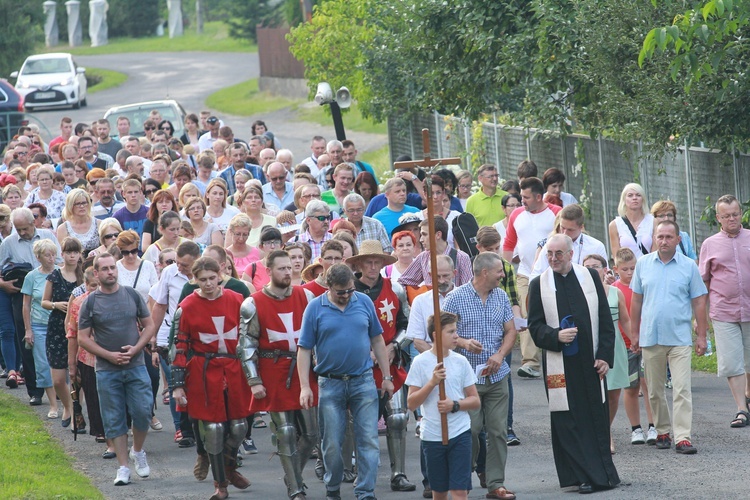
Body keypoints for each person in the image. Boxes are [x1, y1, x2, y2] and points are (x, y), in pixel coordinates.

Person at [527, 234, 619, 493]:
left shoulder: (589, 277)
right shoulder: (538, 285)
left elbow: (605, 319)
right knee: (568, 419)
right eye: (549, 254)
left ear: (570, 254)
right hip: (560, 366)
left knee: (594, 416)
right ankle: (581, 476)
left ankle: (604, 475)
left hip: (590, 362)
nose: (553, 259)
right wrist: (555, 336)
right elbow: (534, 327)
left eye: (559, 253)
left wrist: (605, 356)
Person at [297, 263, 393, 500]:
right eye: (341, 292)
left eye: (350, 290)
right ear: (329, 287)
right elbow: (304, 349)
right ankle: (333, 488)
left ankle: (365, 491)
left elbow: (378, 340)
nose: (347, 296)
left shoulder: (363, 301)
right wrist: (305, 386)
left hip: (363, 381)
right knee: (331, 442)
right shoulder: (314, 308)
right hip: (330, 383)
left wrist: (387, 376)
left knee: (369, 440)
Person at [240, 250, 318, 500]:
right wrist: (254, 381)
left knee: (311, 434)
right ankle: (295, 488)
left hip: (304, 370)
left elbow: (318, 335)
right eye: (282, 268)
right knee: (284, 432)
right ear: (270, 271)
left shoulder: (305, 295)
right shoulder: (252, 303)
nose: (288, 272)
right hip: (273, 371)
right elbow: (247, 345)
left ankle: (292, 473)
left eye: (290, 268)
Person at [172, 257, 252, 499]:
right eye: (202, 280)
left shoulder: (236, 300)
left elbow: (248, 338)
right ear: (195, 280)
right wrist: (177, 385)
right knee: (215, 429)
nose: (208, 284)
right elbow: (179, 346)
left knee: (239, 427)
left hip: (233, 368)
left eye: (212, 278)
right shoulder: (186, 306)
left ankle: (227, 466)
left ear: (220, 275)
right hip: (203, 371)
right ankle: (221, 484)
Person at [77, 252, 158, 486]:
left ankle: (138, 451)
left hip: (136, 365)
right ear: (96, 273)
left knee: (143, 411)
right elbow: (83, 338)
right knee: (113, 419)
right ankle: (123, 467)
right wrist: (109, 355)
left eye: (113, 268)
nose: (110, 272)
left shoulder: (131, 295)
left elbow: (149, 325)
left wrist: (136, 349)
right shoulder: (90, 302)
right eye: (105, 269)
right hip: (106, 369)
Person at [442, 252, 518, 500]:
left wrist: (500, 355)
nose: (502, 275)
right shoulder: (455, 298)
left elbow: (510, 332)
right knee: (471, 430)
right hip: (467, 379)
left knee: (497, 431)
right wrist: (462, 342)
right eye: (499, 271)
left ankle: (496, 483)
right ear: (484, 272)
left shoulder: (502, 296)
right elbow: (441, 334)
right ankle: (464, 476)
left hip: (497, 376)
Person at [629, 220, 708, 454]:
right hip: (651, 336)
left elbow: (699, 300)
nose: (663, 241)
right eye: (660, 236)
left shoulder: (688, 266)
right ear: (654, 238)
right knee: (654, 389)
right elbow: (636, 300)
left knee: (682, 388)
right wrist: (634, 333)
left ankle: (682, 436)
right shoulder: (643, 264)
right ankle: (662, 430)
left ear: (678, 240)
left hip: (680, 337)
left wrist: (702, 336)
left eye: (668, 237)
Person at [349, 241, 416, 492]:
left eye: (377, 261)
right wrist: (363, 352)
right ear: (359, 264)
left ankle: (398, 473)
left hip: (391, 362)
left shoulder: (395, 289)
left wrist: (394, 347)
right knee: (361, 421)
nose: (373, 266)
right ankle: (362, 472)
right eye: (368, 261)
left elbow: (407, 325)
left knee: (397, 418)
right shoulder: (348, 292)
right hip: (359, 366)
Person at [406, 311, 480, 500]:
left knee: (459, 491)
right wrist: (432, 382)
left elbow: (474, 400)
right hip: (432, 435)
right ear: (436, 335)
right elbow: (411, 403)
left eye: (456, 331)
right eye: (451, 331)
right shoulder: (420, 362)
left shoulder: (461, 362)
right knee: (439, 492)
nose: (456, 336)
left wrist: (454, 405)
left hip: (460, 434)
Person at [502, 176, 562, 379]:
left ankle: (554, 356)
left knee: (553, 314)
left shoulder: (556, 213)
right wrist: (505, 272)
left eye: (526, 197)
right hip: (525, 274)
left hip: (552, 276)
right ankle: (530, 362)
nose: (522, 201)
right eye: (521, 196)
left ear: (538, 196)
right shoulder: (517, 215)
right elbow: (509, 244)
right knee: (526, 315)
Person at [699, 194, 750, 427]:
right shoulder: (710, 244)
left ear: (741, 213)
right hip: (724, 312)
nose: (732, 218)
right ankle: (741, 409)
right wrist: (701, 318)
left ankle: (747, 396)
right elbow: (704, 282)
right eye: (726, 215)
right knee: (732, 362)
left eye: (735, 214)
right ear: (718, 217)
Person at [1, 208, 61, 406]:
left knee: (56, 340)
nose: (21, 233)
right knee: (27, 341)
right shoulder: (9, 242)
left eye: (25, 229)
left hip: (50, 291)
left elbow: (59, 261)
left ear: (34, 223)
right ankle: (34, 390)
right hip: (21, 295)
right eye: (18, 229)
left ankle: (58, 386)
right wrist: (4, 285)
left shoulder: (47, 236)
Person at [582, 254, 632, 454]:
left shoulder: (615, 292)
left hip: (614, 346)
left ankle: (605, 429)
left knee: (613, 394)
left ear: (605, 269)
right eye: (588, 267)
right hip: (589, 346)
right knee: (592, 392)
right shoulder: (580, 293)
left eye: (596, 266)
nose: (592, 270)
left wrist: (635, 342)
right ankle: (599, 434)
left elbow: (625, 320)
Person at [612, 248, 656, 445]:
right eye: (625, 269)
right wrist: (632, 340)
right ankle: (636, 428)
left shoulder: (644, 286)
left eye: (633, 268)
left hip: (646, 343)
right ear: (616, 269)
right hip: (627, 346)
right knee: (631, 387)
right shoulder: (614, 290)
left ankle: (654, 425)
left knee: (649, 385)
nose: (630, 273)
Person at [41, 237, 83, 429]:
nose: (72, 255)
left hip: (80, 328)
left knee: (77, 375)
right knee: (58, 378)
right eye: (68, 252)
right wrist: (56, 305)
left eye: (75, 252)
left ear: (80, 254)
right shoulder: (55, 276)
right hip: (57, 327)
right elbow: (44, 301)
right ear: (62, 254)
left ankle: (77, 411)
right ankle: (67, 406)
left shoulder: (83, 276)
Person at [22, 239, 60, 415]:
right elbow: (26, 305)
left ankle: (69, 402)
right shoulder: (31, 277)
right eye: (47, 255)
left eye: (53, 254)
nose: (51, 258)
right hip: (39, 325)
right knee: (43, 365)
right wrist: (28, 329)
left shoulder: (61, 273)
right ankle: (53, 405)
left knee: (63, 365)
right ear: (38, 257)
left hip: (60, 325)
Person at [529, 204, 608, 279]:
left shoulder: (596, 246)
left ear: (581, 227)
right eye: (562, 227)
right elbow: (536, 274)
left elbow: (605, 273)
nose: (564, 233)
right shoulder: (550, 245)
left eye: (570, 230)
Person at [398, 217, 473, 291]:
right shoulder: (423, 257)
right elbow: (402, 282)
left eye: (424, 234)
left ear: (438, 235)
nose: (421, 240)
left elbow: (469, 290)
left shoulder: (461, 257)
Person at [608, 183, 653, 260]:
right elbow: (617, 257)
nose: (634, 198)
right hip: (627, 270)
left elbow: (655, 253)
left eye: (638, 195)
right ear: (624, 200)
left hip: (648, 268)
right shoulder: (615, 225)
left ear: (643, 199)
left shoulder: (653, 221)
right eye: (630, 195)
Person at [56, 189, 101, 255]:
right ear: (70, 206)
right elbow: (62, 254)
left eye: (84, 203)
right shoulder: (63, 229)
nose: (82, 206)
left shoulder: (99, 224)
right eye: (78, 204)